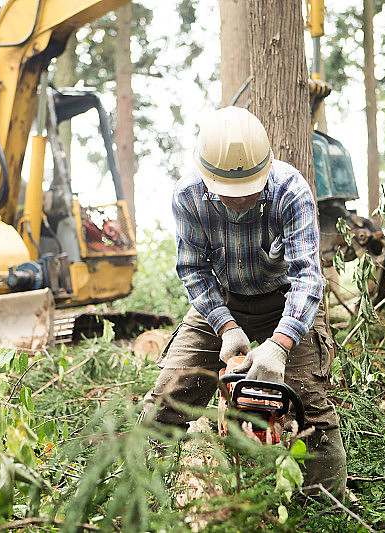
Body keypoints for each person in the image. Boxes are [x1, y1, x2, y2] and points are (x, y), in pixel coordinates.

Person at [142, 106, 347, 499]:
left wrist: (281, 344)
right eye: (230, 193)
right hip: (224, 300)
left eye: (251, 190)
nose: (241, 201)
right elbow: (192, 269)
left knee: (308, 400)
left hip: (286, 301)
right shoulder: (188, 196)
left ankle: (326, 506)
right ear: (208, 179)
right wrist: (224, 325)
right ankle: (144, 492)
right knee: (171, 390)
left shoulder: (291, 190)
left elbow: (307, 275)